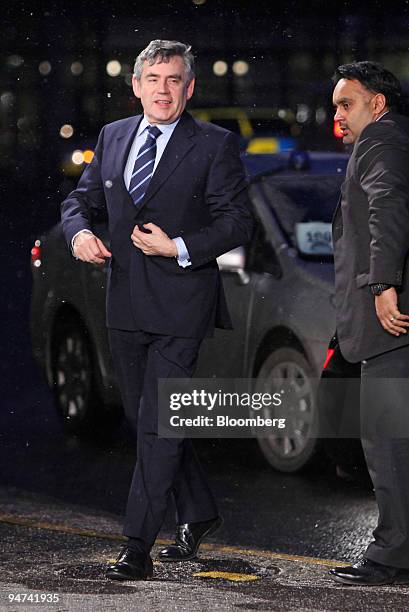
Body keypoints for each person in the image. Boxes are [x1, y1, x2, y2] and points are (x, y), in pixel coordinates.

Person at [61, 39, 253, 581]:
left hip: (181, 305)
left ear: (189, 89)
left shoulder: (214, 145)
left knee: (159, 423)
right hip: (124, 302)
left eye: (174, 80)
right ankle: (199, 511)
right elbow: (81, 201)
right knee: (146, 419)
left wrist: (180, 247)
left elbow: (238, 222)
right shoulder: (113, 136)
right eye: (154, 79)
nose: (163, 90)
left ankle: (136, 545)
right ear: (136, 86)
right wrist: (78, 234)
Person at [329, 61, 409, 586]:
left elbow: (387, 207)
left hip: (391, 324)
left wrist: (382, 285)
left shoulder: (379, 142)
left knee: (388, 442)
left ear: (376, 104)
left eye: (346, 104)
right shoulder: (397, 139)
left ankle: (392, 555)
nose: (337, 117)